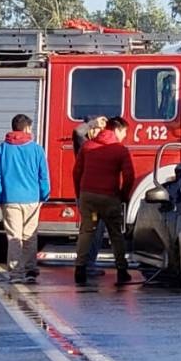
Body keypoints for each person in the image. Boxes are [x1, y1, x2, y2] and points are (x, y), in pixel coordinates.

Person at [73, 116, 135, 286]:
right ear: (117, 130)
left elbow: (76, 172)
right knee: (115, 234)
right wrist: (123, 195)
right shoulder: (120, 150)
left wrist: (80, 194)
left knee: (87, 231)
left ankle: (80, 268)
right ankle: (122, 271)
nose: (124, 136)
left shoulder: (87, 146)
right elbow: (129, 177)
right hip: (109, 198)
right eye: (124, 132)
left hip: (89, 197)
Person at [0, 113, 49, 284]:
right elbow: (43, 176)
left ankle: (16, 274)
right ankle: (31, 270)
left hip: (10, 199)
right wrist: (44, 194)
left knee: (13, 236)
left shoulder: (1, 149)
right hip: (32, 199)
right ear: (26, 128)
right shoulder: (37, 149)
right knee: (29, 236)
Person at [71, 116, 108, 277]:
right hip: (88, 195)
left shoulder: (95, 145)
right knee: (91, 230)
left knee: (97, 231)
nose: (97, 132)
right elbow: (78, 131)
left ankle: (89, 263)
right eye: (95, 129)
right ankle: (86, 264)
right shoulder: (83, 144)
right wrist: (93, 123)